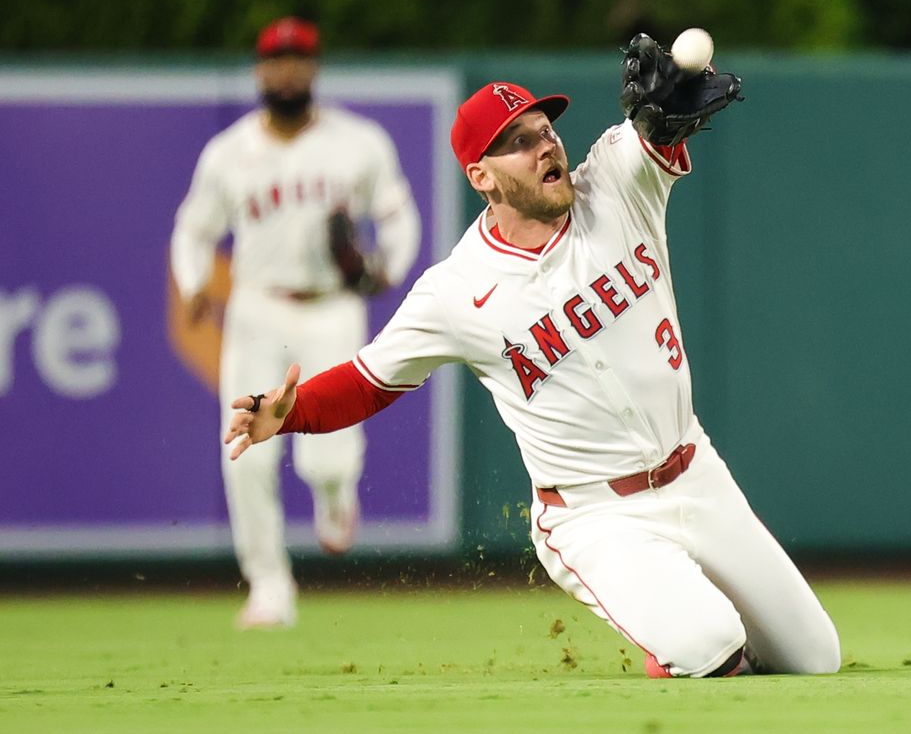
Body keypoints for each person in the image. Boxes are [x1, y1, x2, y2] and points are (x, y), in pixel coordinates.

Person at [224, 36, 840, 676]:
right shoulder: (455, 290)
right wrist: (289, 415)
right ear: (481, 177)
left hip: (695, 473)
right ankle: (677, 637)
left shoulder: (614, 183)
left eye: (546, 129)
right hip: (596, 516)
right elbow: (371, 379)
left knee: (816, 659)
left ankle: (683, 622)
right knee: (709, 644)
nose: (546, 145)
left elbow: (649, 137)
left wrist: (664, 115)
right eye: (518, 140)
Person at [170, 16, 422, 629]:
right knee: (245, 450)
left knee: (329, 458)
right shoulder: (228, 152)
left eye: (298, 59)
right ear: (260, 71)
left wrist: (387, 267)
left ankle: (336, 496)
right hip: (256, 309)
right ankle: (269, 588)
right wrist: (194, 280)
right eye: (276, 61)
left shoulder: (357, 142)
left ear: (313, 69)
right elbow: (193, 229)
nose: (286, 70)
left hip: (331, 307)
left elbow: (399, 218)